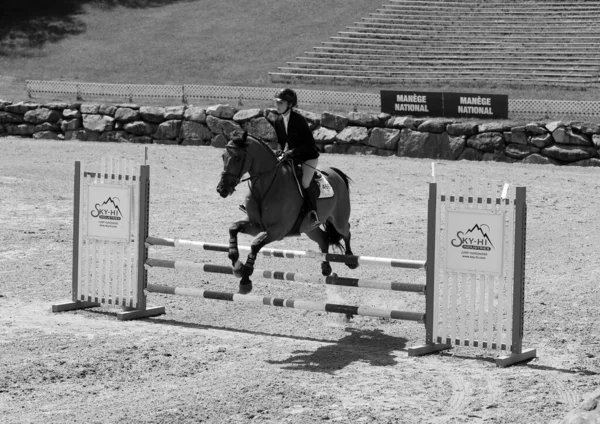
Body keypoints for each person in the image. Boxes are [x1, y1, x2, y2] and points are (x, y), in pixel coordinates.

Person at [273, 88, 321, 228]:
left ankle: (313, 214)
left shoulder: (298, 120)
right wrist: (279, 152)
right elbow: (281, 142)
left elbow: (309, 144)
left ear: (290, 104)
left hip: (308, 157)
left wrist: (291, 152)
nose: (277, 105)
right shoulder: (278, 121)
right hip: (292, 156)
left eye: (280, 102)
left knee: (304, 183)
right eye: (276, 102)